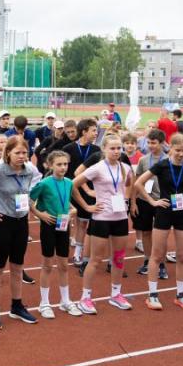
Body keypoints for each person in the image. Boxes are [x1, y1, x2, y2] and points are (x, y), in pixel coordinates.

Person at [134, 134, 183, 311]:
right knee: (157, 256)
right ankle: (152, 295)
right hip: (164, 212)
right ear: (170, 148)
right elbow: (138, 183)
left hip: (182, 213)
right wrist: (152, 202)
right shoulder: (162, 165)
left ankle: (181, 295)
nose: (181, 153)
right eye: (178, 150)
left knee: (182, 256)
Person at [72, 134, 135, 314]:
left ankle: (116, 294)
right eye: (112, 148)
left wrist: (127, 198)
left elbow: (129, 183)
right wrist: (87, 205)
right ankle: (85, 297)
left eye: (119, 148)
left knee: (118, 257)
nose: (116, 151)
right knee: (95, 259)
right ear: (104, 149)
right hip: (101, 218)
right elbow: (73, 185)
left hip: (121, 217)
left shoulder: (125, 168)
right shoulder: (97, 168)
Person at [0, 135, 41, 328]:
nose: (22, 156)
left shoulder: (30, 170)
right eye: (17, 153)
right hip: (2, 222)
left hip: (21, 222)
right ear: (7, 153)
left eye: (25, 152)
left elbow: (28, 192)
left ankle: (17, 306)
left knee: (18, 266)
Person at [29, 150, 82, 318]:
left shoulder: (69, 182)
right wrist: (40, 215)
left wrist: (73, 211)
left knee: (64, 265)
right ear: (50, 166)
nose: (63, 167)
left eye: (65, 164)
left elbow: (69, 204)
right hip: (48, 225)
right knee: (47, 265)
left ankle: (65, 301)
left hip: (64, 225)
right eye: (59, 164)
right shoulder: (44, 183)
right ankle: (44, 303)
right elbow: (29, 202)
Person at [63, 119, 100, 270]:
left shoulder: (97, 150)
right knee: (76, 220)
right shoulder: (68, 148)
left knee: (85, 222)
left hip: (91, 190)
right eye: (93, 130)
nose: (96, 133)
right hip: (72, 189)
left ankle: (81, 251)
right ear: (84, 132)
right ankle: (75, 250)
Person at [132, 129, 168, 279]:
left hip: (162, 201)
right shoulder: (143, 160)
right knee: (146, 232)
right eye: (149, 142)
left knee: (161, 236)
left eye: (154, 143)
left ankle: (161, 264)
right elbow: (137, 181)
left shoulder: (168, 160)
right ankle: (147, 260)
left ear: (161, 143)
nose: (150, 146)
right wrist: (133, 201)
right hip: (145, 200)